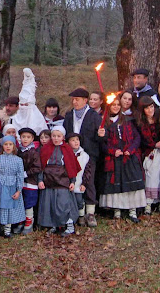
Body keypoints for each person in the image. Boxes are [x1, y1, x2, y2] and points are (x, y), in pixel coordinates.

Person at [98, 96, 145, 223]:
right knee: (116, 184)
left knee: (133, 182)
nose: (116, 107)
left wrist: (131, 149)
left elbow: (137, 137)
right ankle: (117, 211)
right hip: (114, 158)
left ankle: (132, 211)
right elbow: (102, 143)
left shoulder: (128, 120)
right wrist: (113, 151)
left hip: (129, 156)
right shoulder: (104, 123)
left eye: (118, 104)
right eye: (113, 105)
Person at [63, 87, 101, 226]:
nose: (74, 102)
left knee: (88, 182)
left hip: (89, 154)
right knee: (73, 181)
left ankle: (90, 213)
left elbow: (101, 137)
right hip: (72, 154)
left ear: (85, 100)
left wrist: (101, 135)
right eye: (73, 99)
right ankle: (77, 212)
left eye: (77, 99)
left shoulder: (93, 116)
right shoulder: (69, 115)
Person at [37, 126, 81, 236]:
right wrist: (40, 180)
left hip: (63, 180)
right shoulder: (46, 149)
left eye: (58, 136)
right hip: (49, 180)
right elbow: (41, 165)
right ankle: (53, 225)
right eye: (54, 136)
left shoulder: (67, 149)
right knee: (50, 203)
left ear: (63, 137)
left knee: (64, 204)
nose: (56, 138)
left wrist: (72, 181)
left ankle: (69, 225)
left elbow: (71, 167)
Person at [0, 135, 25, 240]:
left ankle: (7, 231)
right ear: (2, 146)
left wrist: (19, 190)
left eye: (10, 144)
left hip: (12, 187)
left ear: (14, 146)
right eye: (6, 144)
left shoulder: (18, 160)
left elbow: (20, 176)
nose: (8, 147)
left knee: (10, 209)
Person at [136, 96, 160, 215]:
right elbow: (142, 140)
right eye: (147, 108)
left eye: (152, 107)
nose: (150, 110)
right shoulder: (140, 123)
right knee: (151, 176)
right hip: (148, 152)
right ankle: (148, 202)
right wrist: (154, 145)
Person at [15, 127, 41, 234]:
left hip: (31, 182)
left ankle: (29, 222)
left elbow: (37, 167)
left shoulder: (33, 152)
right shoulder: (18, 151)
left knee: (29, 202)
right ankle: (21, 221)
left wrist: (26, 173)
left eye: (28, 137)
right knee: (21, 201)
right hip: (20, 182)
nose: (25, 139)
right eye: (23, 137)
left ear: (32, 139)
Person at [66, 133, 96, 227]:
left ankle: (81, 216)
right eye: (73, 140)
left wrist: (84, 183)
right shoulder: (66, 154)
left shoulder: (84, 156)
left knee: (79, 200)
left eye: (77, 140)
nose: (76, 142)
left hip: (79, 183)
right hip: (68, 184)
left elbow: (87, 171)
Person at [10, 68, 49, 135]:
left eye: (26, 105)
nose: (23, 107)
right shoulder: (13, 119)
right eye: (21, 105)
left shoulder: (39, 120)